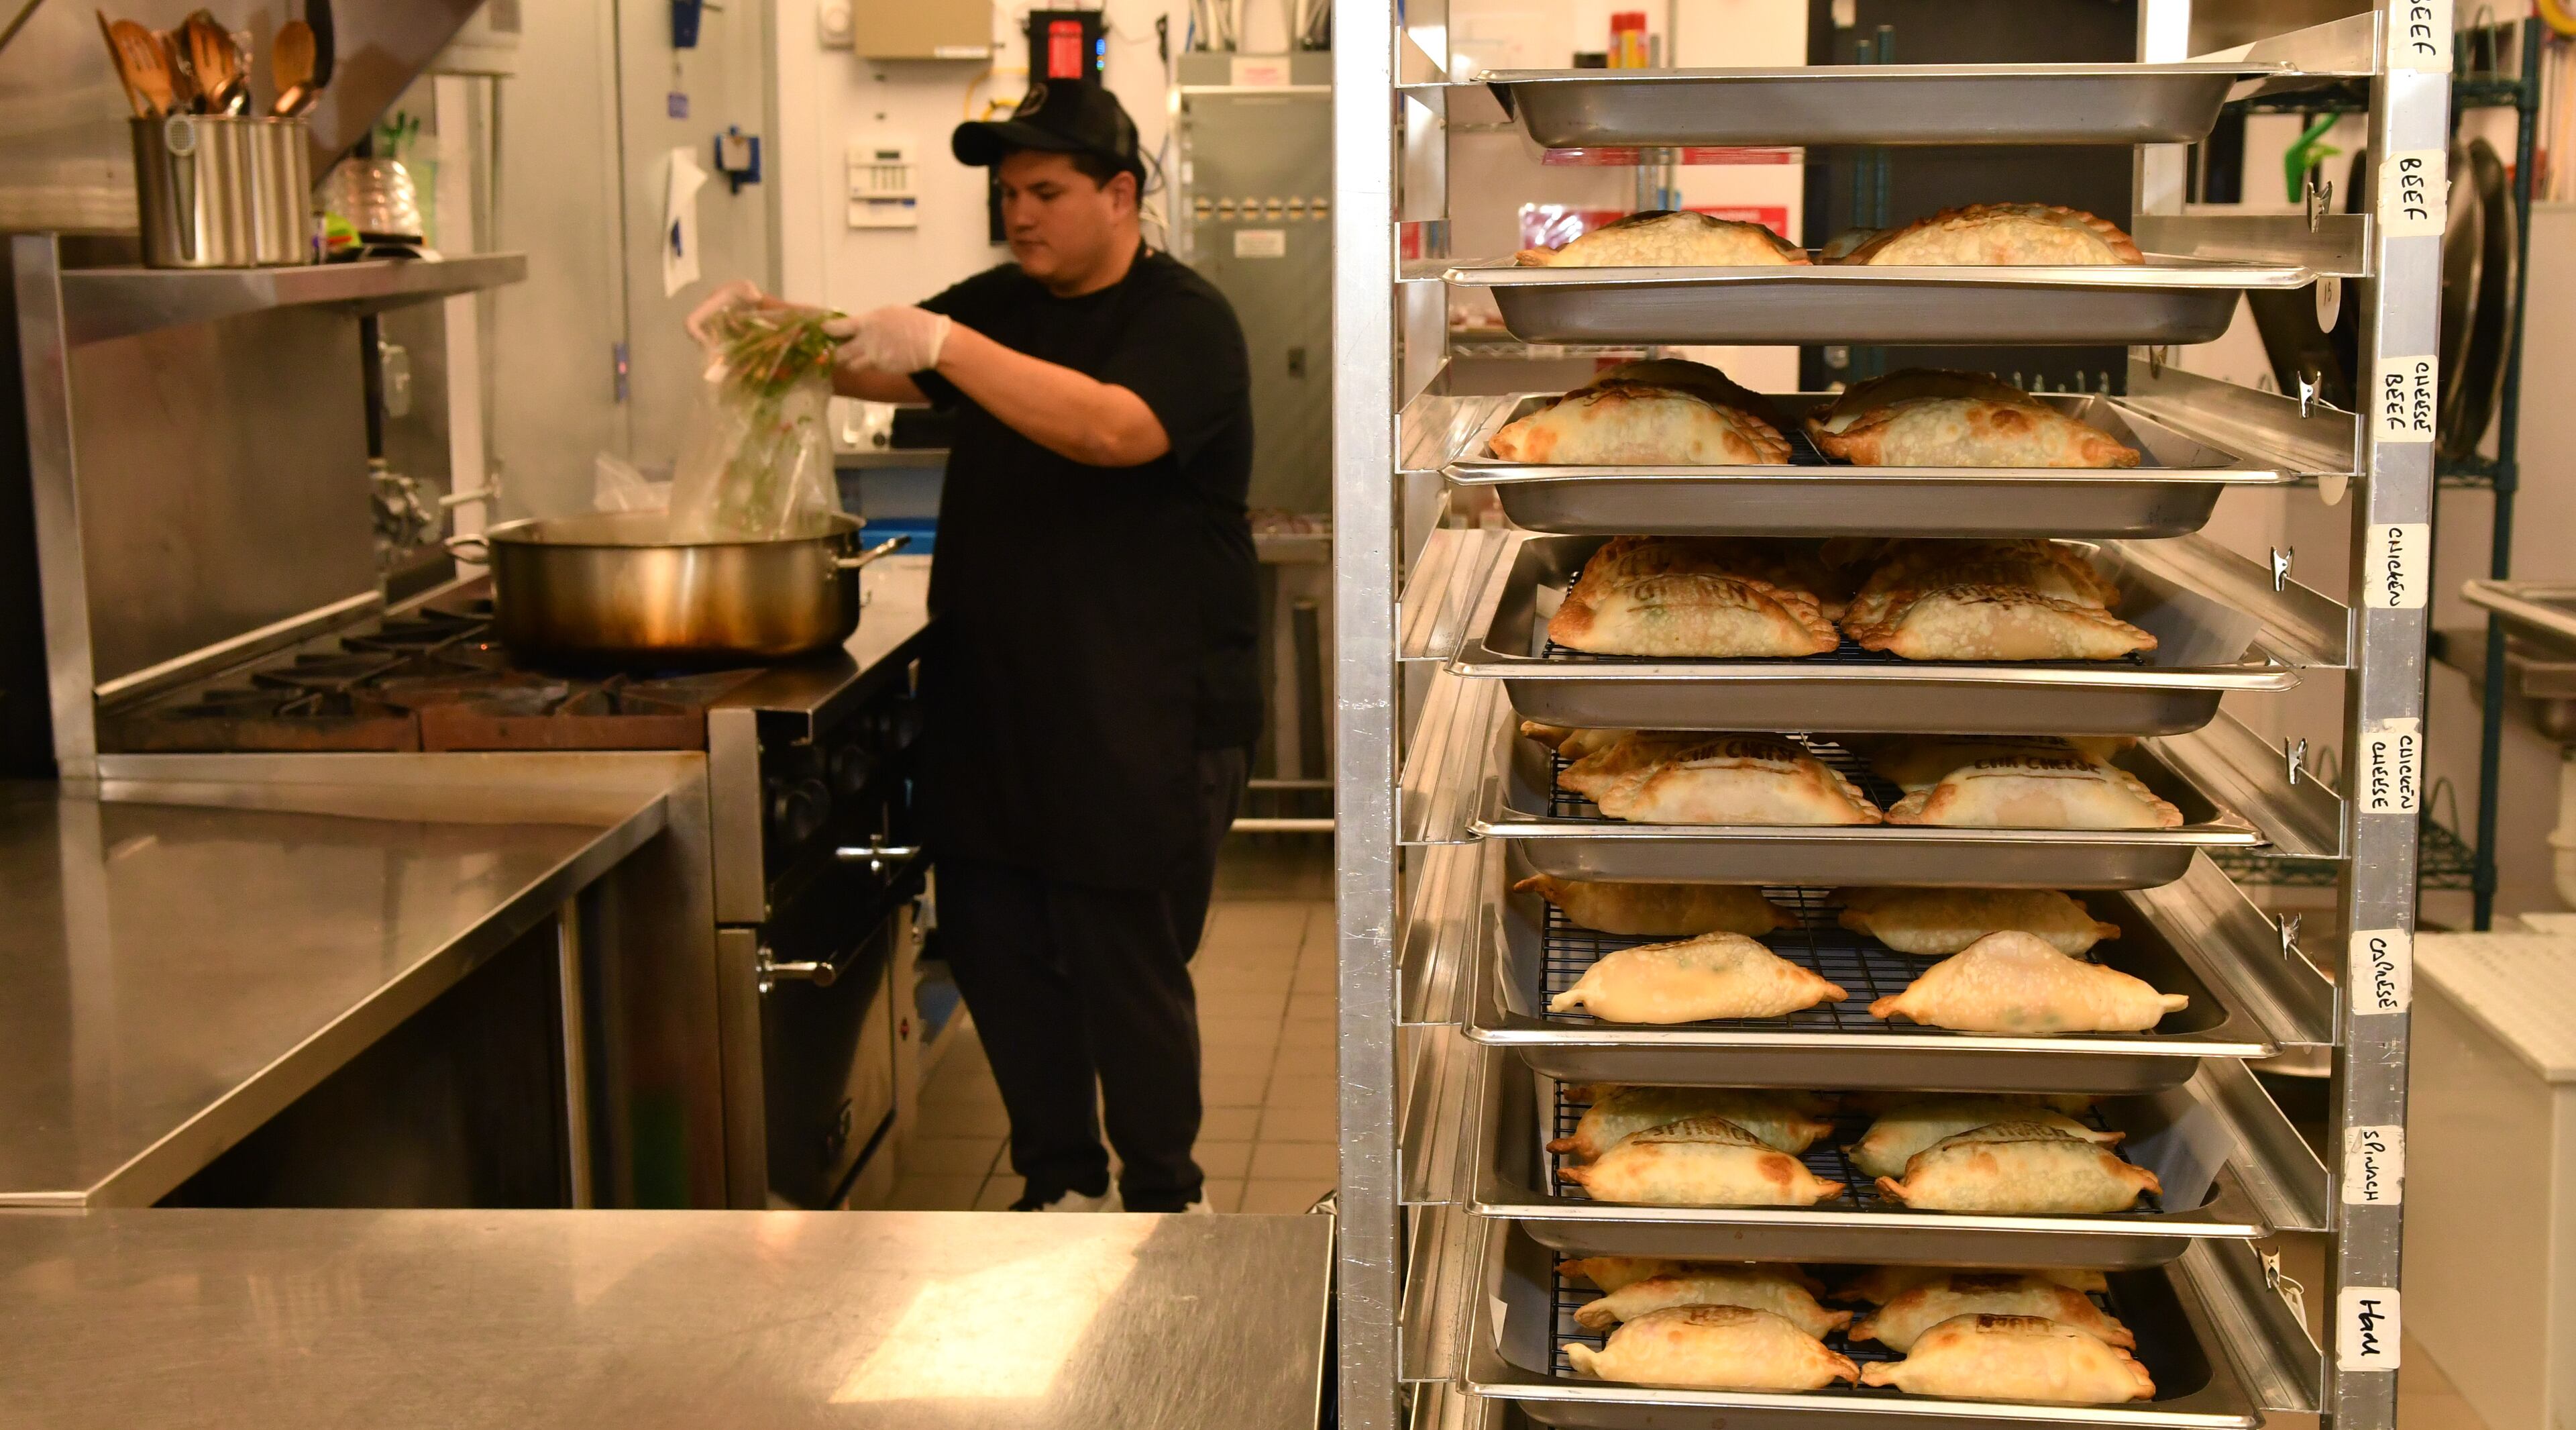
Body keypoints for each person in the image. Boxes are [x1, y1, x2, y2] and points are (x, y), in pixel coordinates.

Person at [692, 82, 1257, 1213]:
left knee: (1124, 968)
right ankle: (1059, 1185)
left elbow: (1111, 428)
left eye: (1045, 191)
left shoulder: (1186, 320)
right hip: (997, 707)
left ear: (1120, 194)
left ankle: (1165, 1198)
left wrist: (950, 345)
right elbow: (870, 360)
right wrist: (771, 327)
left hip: (1140, 717)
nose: (1020, 214)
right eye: (1007, 194)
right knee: (1002, 954)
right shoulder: (1004, 302)